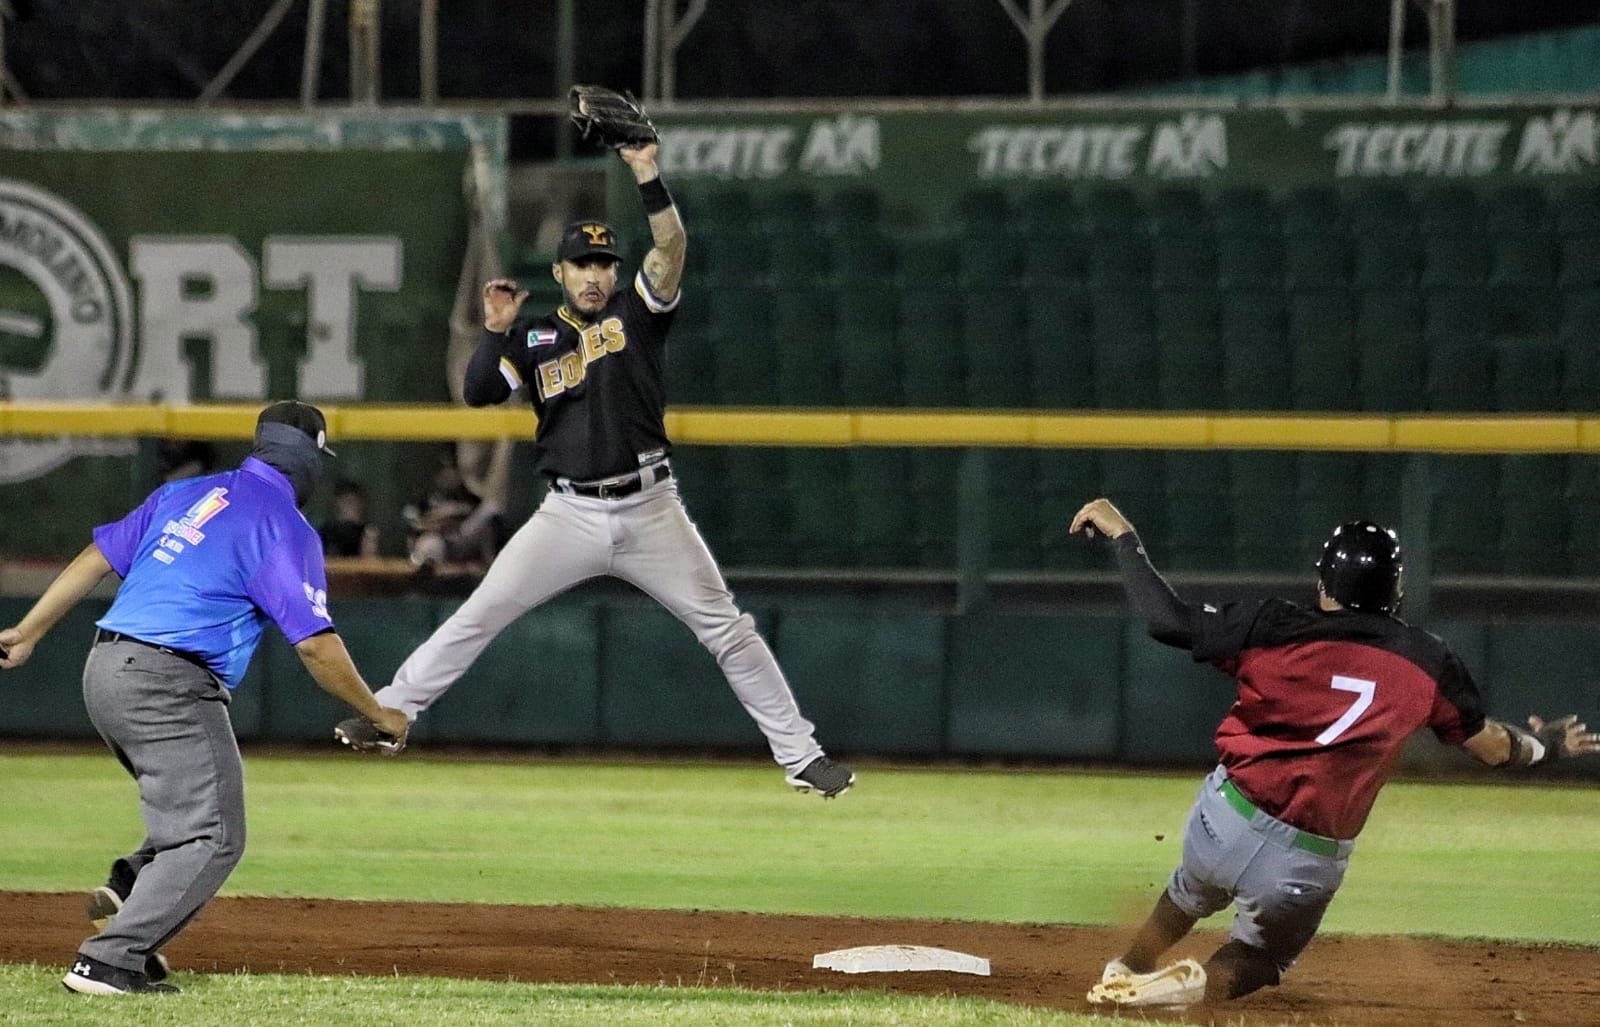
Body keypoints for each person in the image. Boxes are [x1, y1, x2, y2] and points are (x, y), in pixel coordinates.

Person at [332, 124, 854, 798]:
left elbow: (673, 245)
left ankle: (801, 755)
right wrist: (494, 333)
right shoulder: (535, 337)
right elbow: (480, 392)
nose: (595, 274)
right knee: (481, 610)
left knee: (728, 628)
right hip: (570, 512)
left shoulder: (640, 314)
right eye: (582, 264)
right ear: (559, 273)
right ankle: (392, 713)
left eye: (604, 264)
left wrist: (645, 172)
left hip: (650, 505)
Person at [1068, 498, 1600, 1009]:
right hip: (1308, 859)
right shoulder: (1428, 660)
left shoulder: (1272, 626)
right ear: (1396, 590)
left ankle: (1128, 966)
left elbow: (1168, 621)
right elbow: (1494, 748)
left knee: (1190, 889)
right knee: (1263, 957)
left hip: (1224, 820)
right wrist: (1547, 745)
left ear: (1323, 582)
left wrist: (1125, 537)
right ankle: (1188, 987)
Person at [0, 401, 409, 996]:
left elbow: (96, 558)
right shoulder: (283, 525)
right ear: (304, 460)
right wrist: (381, 714)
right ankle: (108, 962)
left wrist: (28, 632)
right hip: (168, 681)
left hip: (106, 670)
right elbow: (317, 647)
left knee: (194, 811)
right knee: (214, 835)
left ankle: (134, 881)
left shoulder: (185, 493)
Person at [402, 458, 499, 571]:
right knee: (431, 543)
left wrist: (459, 511)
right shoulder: (428, 499)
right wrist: (439, 518)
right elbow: (415, 524)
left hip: (461, 535)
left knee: (491, 509)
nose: (449, 475)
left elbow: (476, 514)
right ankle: (424, 568)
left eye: (452, 470)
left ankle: (489, 566)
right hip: (439, 539)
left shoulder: (468, 492)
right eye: (445, 471)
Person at [320, 479, 381, 558]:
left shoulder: (367, 532)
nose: (352, 507)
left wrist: (369, 546)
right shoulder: (326, 532)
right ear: (338, 503)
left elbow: (372, 564)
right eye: (348, 502)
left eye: (355, 502)